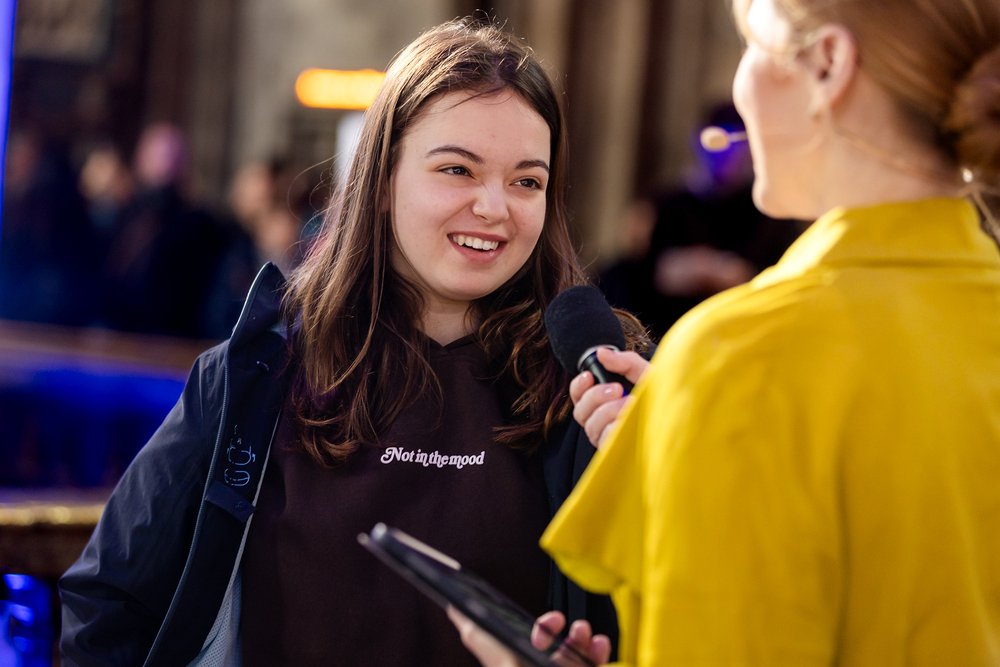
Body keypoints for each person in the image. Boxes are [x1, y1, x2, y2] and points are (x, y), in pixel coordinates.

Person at [59, 18, 648, 666]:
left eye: (527, 181)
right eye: (458, 169)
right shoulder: (259, 374)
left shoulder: (597, 390)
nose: (494, 207)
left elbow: (687, 613)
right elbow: (108, 601)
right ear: (384, 179)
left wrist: (665, 472)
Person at [455, 0, 1000, 664]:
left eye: (753, 46)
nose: (740, 88)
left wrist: (712, 407)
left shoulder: (742, 359)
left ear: (829, 65)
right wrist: (686, 442)